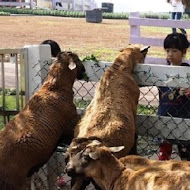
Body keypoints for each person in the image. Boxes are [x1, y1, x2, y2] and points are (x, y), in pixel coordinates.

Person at [158, 32, 190, 161]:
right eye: (167, 50)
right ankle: (162, 174)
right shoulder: (160, 72)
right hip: (165, 117)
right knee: (164, 152)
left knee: (186, 154)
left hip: (184, 118)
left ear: (184, 51)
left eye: (175, 50)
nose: (170, 54)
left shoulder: (188, 71)